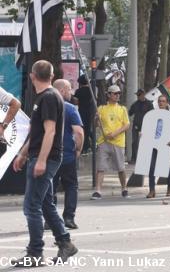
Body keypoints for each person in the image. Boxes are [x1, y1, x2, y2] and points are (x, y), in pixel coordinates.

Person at [11, 61, 78, 267]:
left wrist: (40, 160)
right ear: (51, 75)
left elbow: (50, 131)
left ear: (32, 76)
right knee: (45, 203)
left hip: (46, 158)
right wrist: (23, 153)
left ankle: (35, 253)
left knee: (31, 206)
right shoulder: (44, 97)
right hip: (41, 156)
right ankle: (65, 242)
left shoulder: (48, 97)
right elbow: (38, 132)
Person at [51, 80, 83, 228]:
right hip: (67, 155)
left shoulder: (45, 105)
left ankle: (50, 219)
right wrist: (78, 149)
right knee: (71, 186)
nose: (71, 93)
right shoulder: (70, 108)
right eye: (69, 89)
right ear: (62, 90)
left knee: (49, 186)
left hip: (49, 155)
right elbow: (78, 132)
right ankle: (69, 218)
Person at [92, 84, 130, 199]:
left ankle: (124, 188)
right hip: (103, 141)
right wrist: (96, 119)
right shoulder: (101, 109)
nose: (117, 95)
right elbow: (96, 125)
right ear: (109, 95)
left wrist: (115, 133)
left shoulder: (122, 109)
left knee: (121, 168)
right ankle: (98, 190)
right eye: (115, 93)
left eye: (119, 93)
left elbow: (127, 125)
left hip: (118, 142)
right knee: (101, 167)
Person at [146, 93, 170, 198]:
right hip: (155, 144)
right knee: (151, 168)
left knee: (167, 168)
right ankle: (152, 190)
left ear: (167, 103)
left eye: (163, 101)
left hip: (166, 145)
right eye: (159, 101)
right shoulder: (153, 115)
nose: (161, 103)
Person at [128, 89, 155, 164]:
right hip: (136, 125)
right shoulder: (135, 104)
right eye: (137, 95)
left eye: (139, 95)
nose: (138, 96)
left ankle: (146, 158)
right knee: (134, 142)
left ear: (143, 94)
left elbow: (152, 114)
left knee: (146, 142)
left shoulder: (149, 104)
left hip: (146, 126)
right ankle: (134, 159)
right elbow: (129, 113)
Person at [72, 76, 95, 153]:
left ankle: (84, 147)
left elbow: (76, 101)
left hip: (81, 111)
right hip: (90, 111)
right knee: (88, 128)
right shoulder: (91, 90)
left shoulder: (78, 91)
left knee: (82, 128)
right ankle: (89, 145)